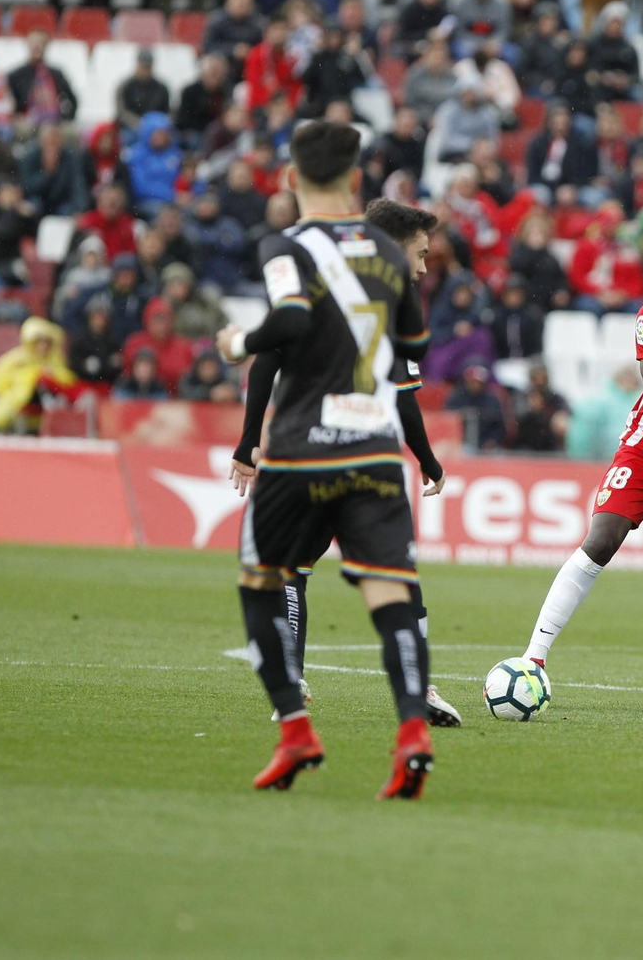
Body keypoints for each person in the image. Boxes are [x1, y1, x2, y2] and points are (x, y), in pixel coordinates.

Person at [213, 123, 438, 798]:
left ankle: (295, 729)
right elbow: (412, 339)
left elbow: (285, 325)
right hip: (372, 447)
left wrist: (234, 342)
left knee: (263, 580)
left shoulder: (285, 245)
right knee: (391, 590)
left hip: (303, 447)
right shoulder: (395, 258)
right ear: (355, 180)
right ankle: (411, 734)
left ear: (289, 178)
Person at [229, 195, 458, 726]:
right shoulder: (385, 299)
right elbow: (402, 396)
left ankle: (290, 680)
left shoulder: (312, 281)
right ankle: (416, 687)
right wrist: (427, 459)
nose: (424, 267)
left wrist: (247, 443)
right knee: (394, 574)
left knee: (290, 568)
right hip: (366, 456)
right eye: (420, 254)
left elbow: (265, 361)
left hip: (304, 454)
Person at [0, 317, 81, 432]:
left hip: (46, 401)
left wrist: (49, 376)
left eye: (46, 342)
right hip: (21, 400)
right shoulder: (17, 359)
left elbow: (67, 381)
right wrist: (31, 377)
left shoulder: (55, 360)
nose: (43, 346)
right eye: (39, 342)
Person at [7, 30, 78, 128]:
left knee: (71, 132)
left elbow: (72, 99)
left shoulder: (56, 74)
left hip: (55, 121)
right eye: (34, 44)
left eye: (40, 44)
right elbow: (9, 100)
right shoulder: (16, 75)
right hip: (28, 120)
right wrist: (16, 115)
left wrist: (67, 117)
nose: (37, 48)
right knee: (22, 129)